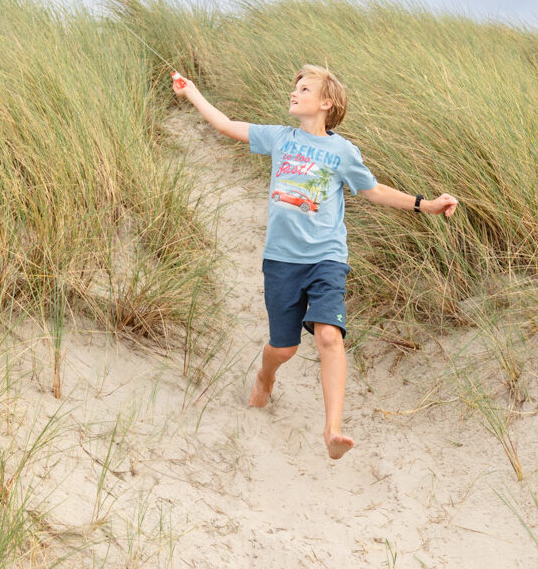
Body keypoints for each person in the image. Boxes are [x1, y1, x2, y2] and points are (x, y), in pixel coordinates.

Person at [171, 64, 459, 459]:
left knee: (329, 336)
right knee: (283, 348)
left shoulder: (342, 152)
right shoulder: (279, 138)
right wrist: (191, 93)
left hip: (326, 258)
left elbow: (372, 190)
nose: (294, 93)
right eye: (295, 88)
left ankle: (333, 430)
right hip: (281, 260)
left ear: (326, 103)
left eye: (303, 89)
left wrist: (424, 205)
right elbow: (225, 124)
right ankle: (265, 377)